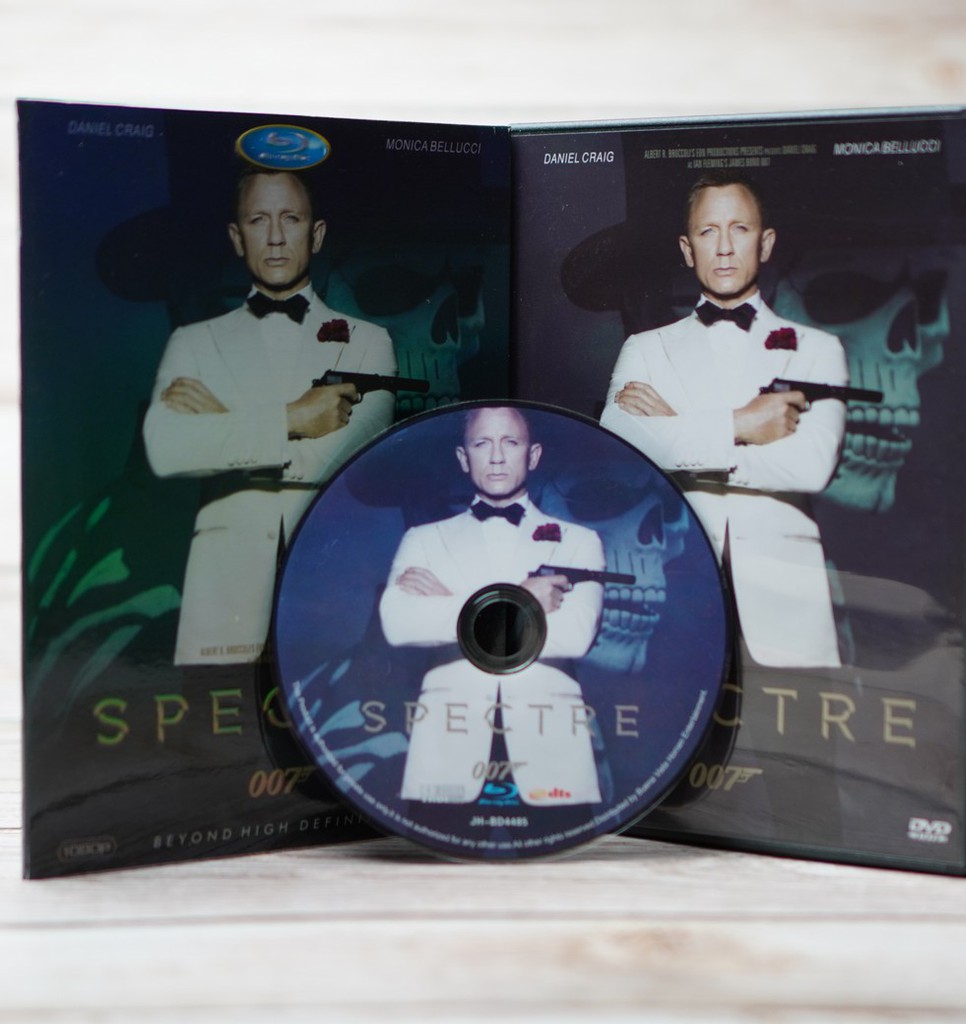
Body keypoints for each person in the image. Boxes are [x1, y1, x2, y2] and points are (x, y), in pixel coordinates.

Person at [144, 167, 396, 666]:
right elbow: (166, 449)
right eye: (258, 220)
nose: (276, 237)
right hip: (223, 600)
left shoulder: (370, 342)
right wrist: (292, 418)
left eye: (291, 219)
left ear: (316, 234)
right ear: (237, 238)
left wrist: (223, 423)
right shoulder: (192, 343)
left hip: (332, 588)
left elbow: (350, 462)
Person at [599, 172, 847, 668]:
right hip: (679, 591)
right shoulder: (645, 349)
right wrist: (739, 424)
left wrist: (677, 427)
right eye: (708, 231)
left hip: (786, 598)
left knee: (792, 720)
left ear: (766, 243)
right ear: (688, 249)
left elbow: (811, 466)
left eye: (740, 229)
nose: (725, 247)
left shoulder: (817, 350)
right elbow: (619, 448)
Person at [379, 405, 606, 806]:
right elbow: (399, 625)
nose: (497, 457)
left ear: (533, 455)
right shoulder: (423, 539)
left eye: (511, 442)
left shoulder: (579, 541)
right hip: (447, 748)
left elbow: (575, 636)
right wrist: (522, 599)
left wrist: (450, 603)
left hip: (550, 749)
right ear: (463, 457)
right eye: (482, 443)